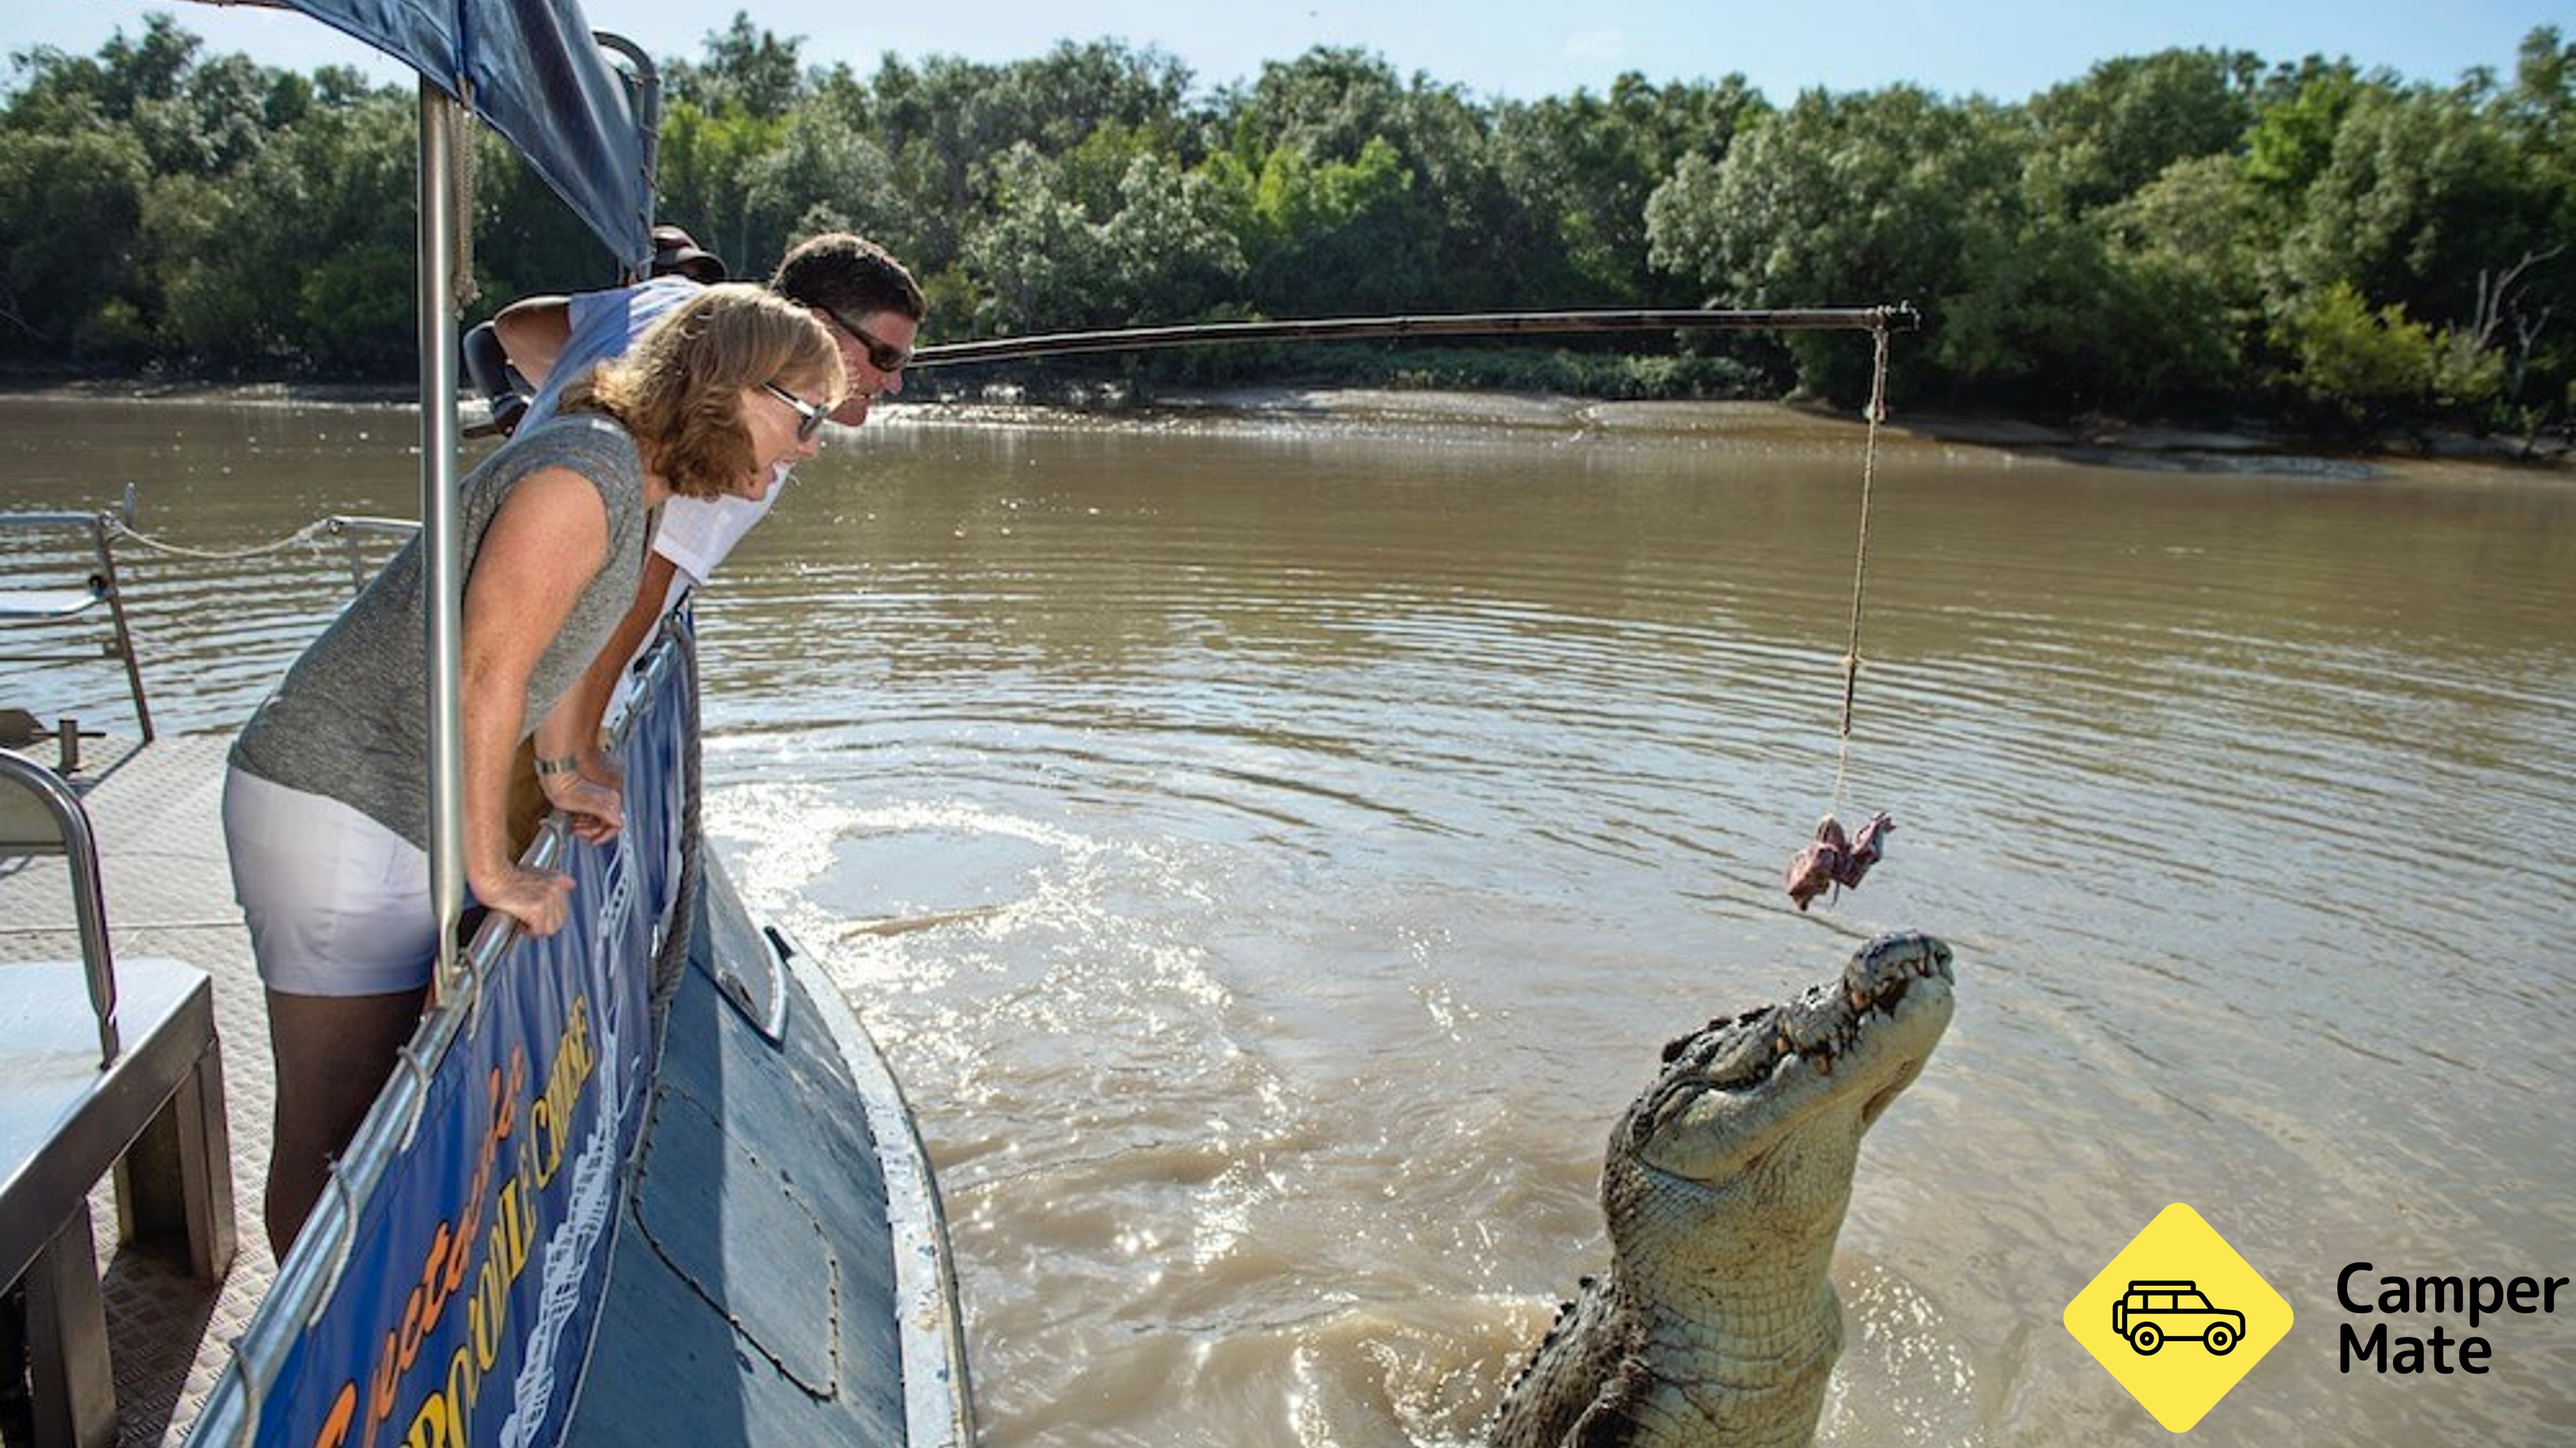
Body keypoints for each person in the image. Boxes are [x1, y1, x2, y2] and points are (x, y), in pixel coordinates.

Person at [223, 284, 847, 1255]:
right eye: (806, 417)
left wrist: (564, 767)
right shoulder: (583, 476)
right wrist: (493, 870)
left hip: (393, 808)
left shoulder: (635, 478)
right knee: (333, 1130)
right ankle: (327, 1388)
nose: (811, 446)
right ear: (733, 389)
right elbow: (488, 670)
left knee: (388, 1105)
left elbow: (557, 647)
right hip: (340, 804)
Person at [491, 234, 924, 789]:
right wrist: (577, 756)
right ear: (818, 323)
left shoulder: (665, 301)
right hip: (526, 703)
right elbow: (638, 589)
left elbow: (514, 328)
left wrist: (591, 396)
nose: (895, 382)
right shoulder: (742, 423)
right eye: (884, 357)